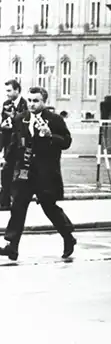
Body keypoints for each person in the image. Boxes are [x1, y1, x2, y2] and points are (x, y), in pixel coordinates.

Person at [0, 87, 76, 262]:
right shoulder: (21, 119)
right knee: (18, 206)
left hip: (45, 173)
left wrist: (51, 136)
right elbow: (14, 143)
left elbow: (66, 142)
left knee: (49, 207)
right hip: (24, 171)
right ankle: (12, 245)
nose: (32, 104)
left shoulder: (55, 120)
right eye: (30, 100)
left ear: (44, 102)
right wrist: (8, 159)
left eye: (36, 101)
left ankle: (67, 236)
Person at [0, 79, 28, 210]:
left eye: (9, 90)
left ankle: (16, 202)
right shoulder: (6, 104)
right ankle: (4, 202)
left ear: (17, 90)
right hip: (8, 145)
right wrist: (3, 125)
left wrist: (14, 118)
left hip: (20, 146)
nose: (7, 94)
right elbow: (4, 122)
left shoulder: (25, 105)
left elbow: (24, 125)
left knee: (19, 175)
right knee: (6, 172)